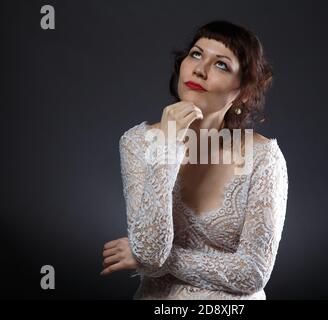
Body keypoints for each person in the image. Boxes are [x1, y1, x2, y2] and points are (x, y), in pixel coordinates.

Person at [101, 20, 288, 300]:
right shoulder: (137, 143)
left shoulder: (263, 157)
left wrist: (146, 256)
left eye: (221, 64)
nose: (199, 69)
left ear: (243, 91)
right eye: (196, 54)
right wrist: (168, 145)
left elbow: (253, 273)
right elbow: (151, 254)